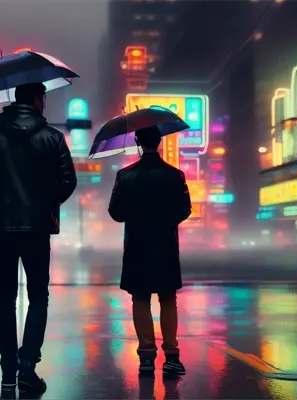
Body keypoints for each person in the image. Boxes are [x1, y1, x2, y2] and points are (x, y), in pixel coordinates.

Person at [0, 82, 77, 394]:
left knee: (6, 298)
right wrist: (45, 204)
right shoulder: (53, 137)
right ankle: (28, 366)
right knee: (39, 295)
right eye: (44, 98)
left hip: (4, 227)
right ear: (37, 99)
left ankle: (7, 370)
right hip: (38, 228)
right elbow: (69, 180)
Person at [108, 126, 192, 376]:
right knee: (168, 299)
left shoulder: (125, 176)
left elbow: (116, 213)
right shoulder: (175, 175)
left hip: (137, 245)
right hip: (166, 244)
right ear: (160, 141)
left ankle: (146, 358)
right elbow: (185, 209)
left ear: (137, 142)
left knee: (140, 299)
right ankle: (172, 357)